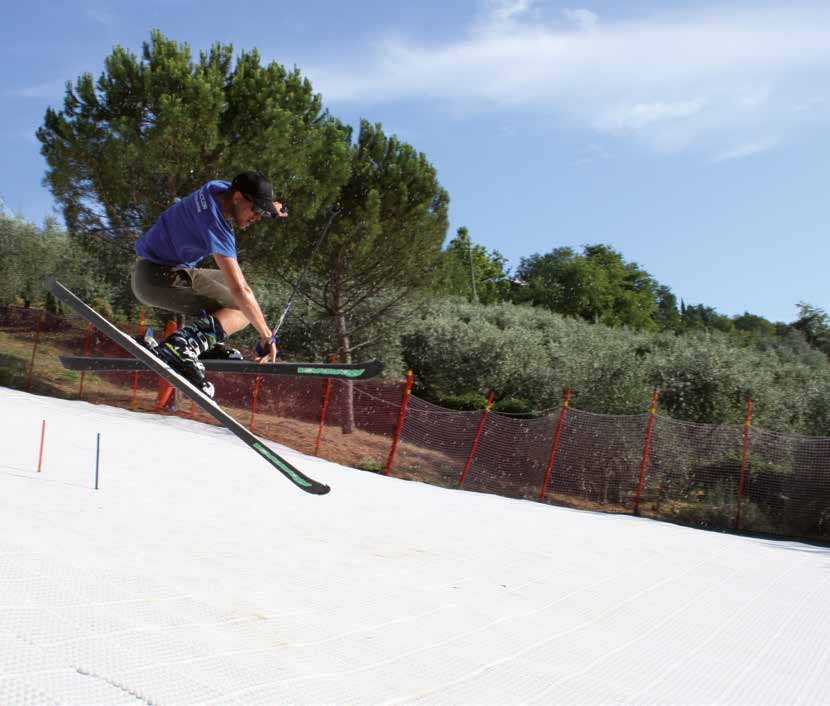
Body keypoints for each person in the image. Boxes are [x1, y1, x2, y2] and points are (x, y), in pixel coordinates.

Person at [131, 171, 287, 396]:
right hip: (156, 279)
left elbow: (244, 190)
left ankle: (204, 343)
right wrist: (266, 335)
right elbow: (240, 291)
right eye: (256, 210)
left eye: (262, 212)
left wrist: (270, 207)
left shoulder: (215, 189)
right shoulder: (216, 223)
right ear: (237, 198)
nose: (257, 217)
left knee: (243, 293)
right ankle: (183, 344)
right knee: (243, 306)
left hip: (158, 269)